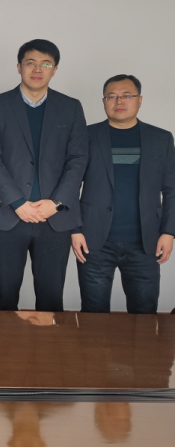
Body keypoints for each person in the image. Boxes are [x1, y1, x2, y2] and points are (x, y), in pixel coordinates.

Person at [0, 39, 87, 312]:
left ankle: (48, 344)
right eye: (30, 63)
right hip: (8, 216)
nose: (37, 69)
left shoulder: (71, 107)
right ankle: (3, 343)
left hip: (54, 219)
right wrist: (17, 202)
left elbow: (77, 160)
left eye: (45, 64)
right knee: (4, 298)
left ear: (55, 69)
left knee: (51, 300)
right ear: (19, 67)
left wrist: (56, 203)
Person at [72, 75, 175, 314]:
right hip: (94, 242)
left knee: (145, 315)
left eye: (127, 95)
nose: (119, 101)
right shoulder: (85, 136)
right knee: (93, 315)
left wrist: (169, 232)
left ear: (139, 100)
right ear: (104, 101)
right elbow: (71, 186)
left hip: (146, 243)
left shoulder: (161, 139)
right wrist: (75, 229)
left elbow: (171, 189)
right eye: (112, 96)